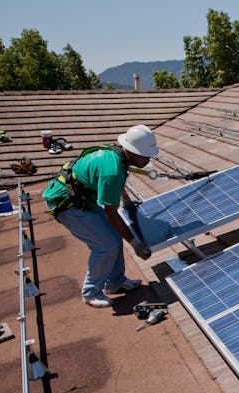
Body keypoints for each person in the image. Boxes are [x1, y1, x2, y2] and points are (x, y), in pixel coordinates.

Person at [42, 124, 157, 308]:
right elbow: (111, 213)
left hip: (82, 197)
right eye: (144, 155)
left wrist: (126, 200)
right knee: (105, 246)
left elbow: (118, 182)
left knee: (114, 237)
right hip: (68, 203)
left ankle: (115, 282)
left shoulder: (118, 155)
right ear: (130, 151)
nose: (148, 159)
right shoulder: (111, 169)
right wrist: (135, 243)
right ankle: (90, 292)